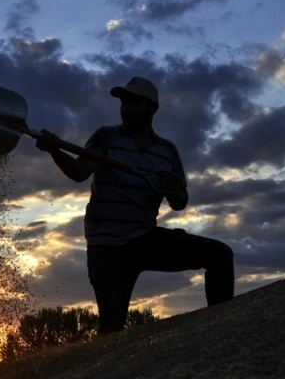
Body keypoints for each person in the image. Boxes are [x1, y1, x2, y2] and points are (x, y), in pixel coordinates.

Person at [35, 77, 234, 334]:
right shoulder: (105, 137)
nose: (126, 108)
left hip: (144, 239)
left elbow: (179, 202)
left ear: (151, 108)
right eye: (123, 102)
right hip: (107, 247)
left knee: (220, 255)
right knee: (112, 332)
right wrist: (54, 150)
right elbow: (78, 171)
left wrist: (175, 192)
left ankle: (222, 332)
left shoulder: (166, 151)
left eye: (134, 102)